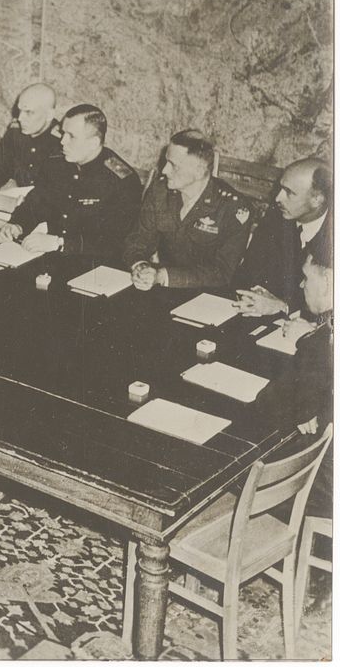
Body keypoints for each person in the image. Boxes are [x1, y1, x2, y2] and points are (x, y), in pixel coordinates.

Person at [0, 104, 141, 259]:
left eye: (71, 136)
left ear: (93, 143)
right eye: (63, 133)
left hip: (94, 267)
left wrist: (60, 243)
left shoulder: (122, 182)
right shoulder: (56, 164)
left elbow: (115, 243)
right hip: (53, 257)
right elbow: (36, 203)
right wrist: (17, 225)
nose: (63, 141)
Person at [123, 130, 252, 290]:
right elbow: (138, 241)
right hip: (163, 288)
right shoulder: (160, 191)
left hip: (208, 295)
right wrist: (140, 266)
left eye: (174, 166)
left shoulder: (232, 207)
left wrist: (164, 276)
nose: (164, 170)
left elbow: (222, 272)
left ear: (199, 171)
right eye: (166, 162)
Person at [256, 252, 333, 521]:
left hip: (322, 487)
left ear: (328, 280)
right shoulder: (326, 331)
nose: (301, 285)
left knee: (242, 473)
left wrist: (308, 340)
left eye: (306, 277)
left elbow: (274, 399)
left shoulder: (319, 344)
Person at [233, 157, 332, 317]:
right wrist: (254, 293)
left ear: (317, 199)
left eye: (289, 193)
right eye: (280, 188)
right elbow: (247, 272)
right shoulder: (276, 218)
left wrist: (284, 306)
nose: (278, 198)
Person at [0, 83, 61, 191]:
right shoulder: (15, 132)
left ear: (49, 115)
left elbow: (52, 192)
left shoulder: (60, 141)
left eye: (29, 112)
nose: (20, 118)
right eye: (19, 110)